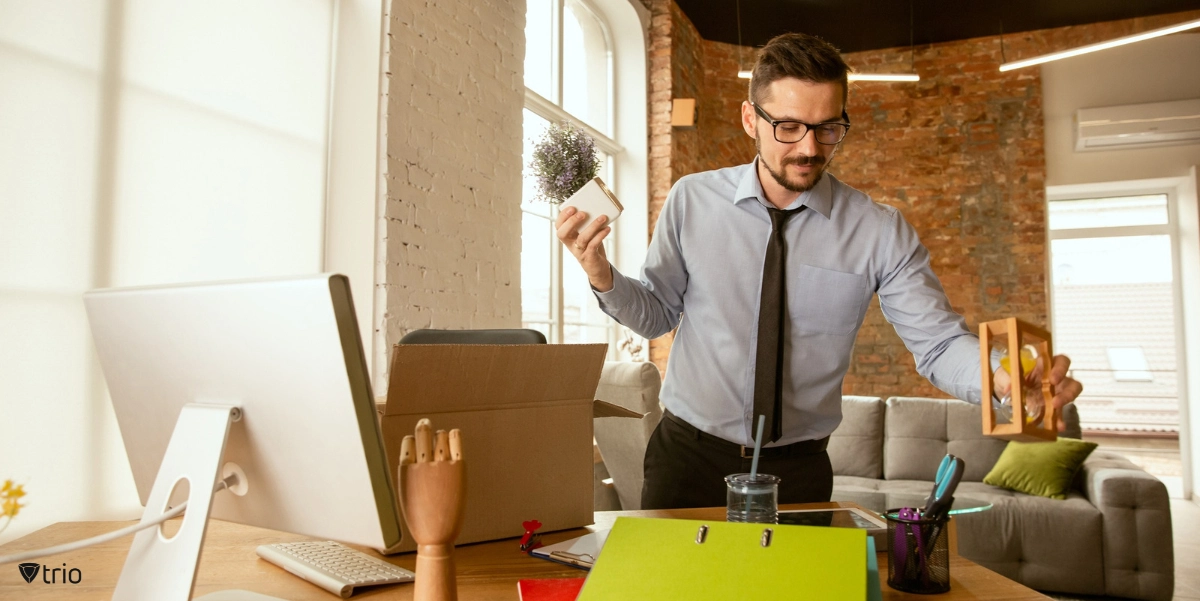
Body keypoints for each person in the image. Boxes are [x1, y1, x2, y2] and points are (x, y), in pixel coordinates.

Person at [555, 32, 1083, 510]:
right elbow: (656, 316)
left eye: (828, 128)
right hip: (687, 459)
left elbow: (940, 343)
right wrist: (602, 274)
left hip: (799, 472)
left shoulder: (880, 231)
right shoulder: (692, 200)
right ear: (749, 120)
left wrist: (1002, 379)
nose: (809, 148)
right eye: (787, 127)